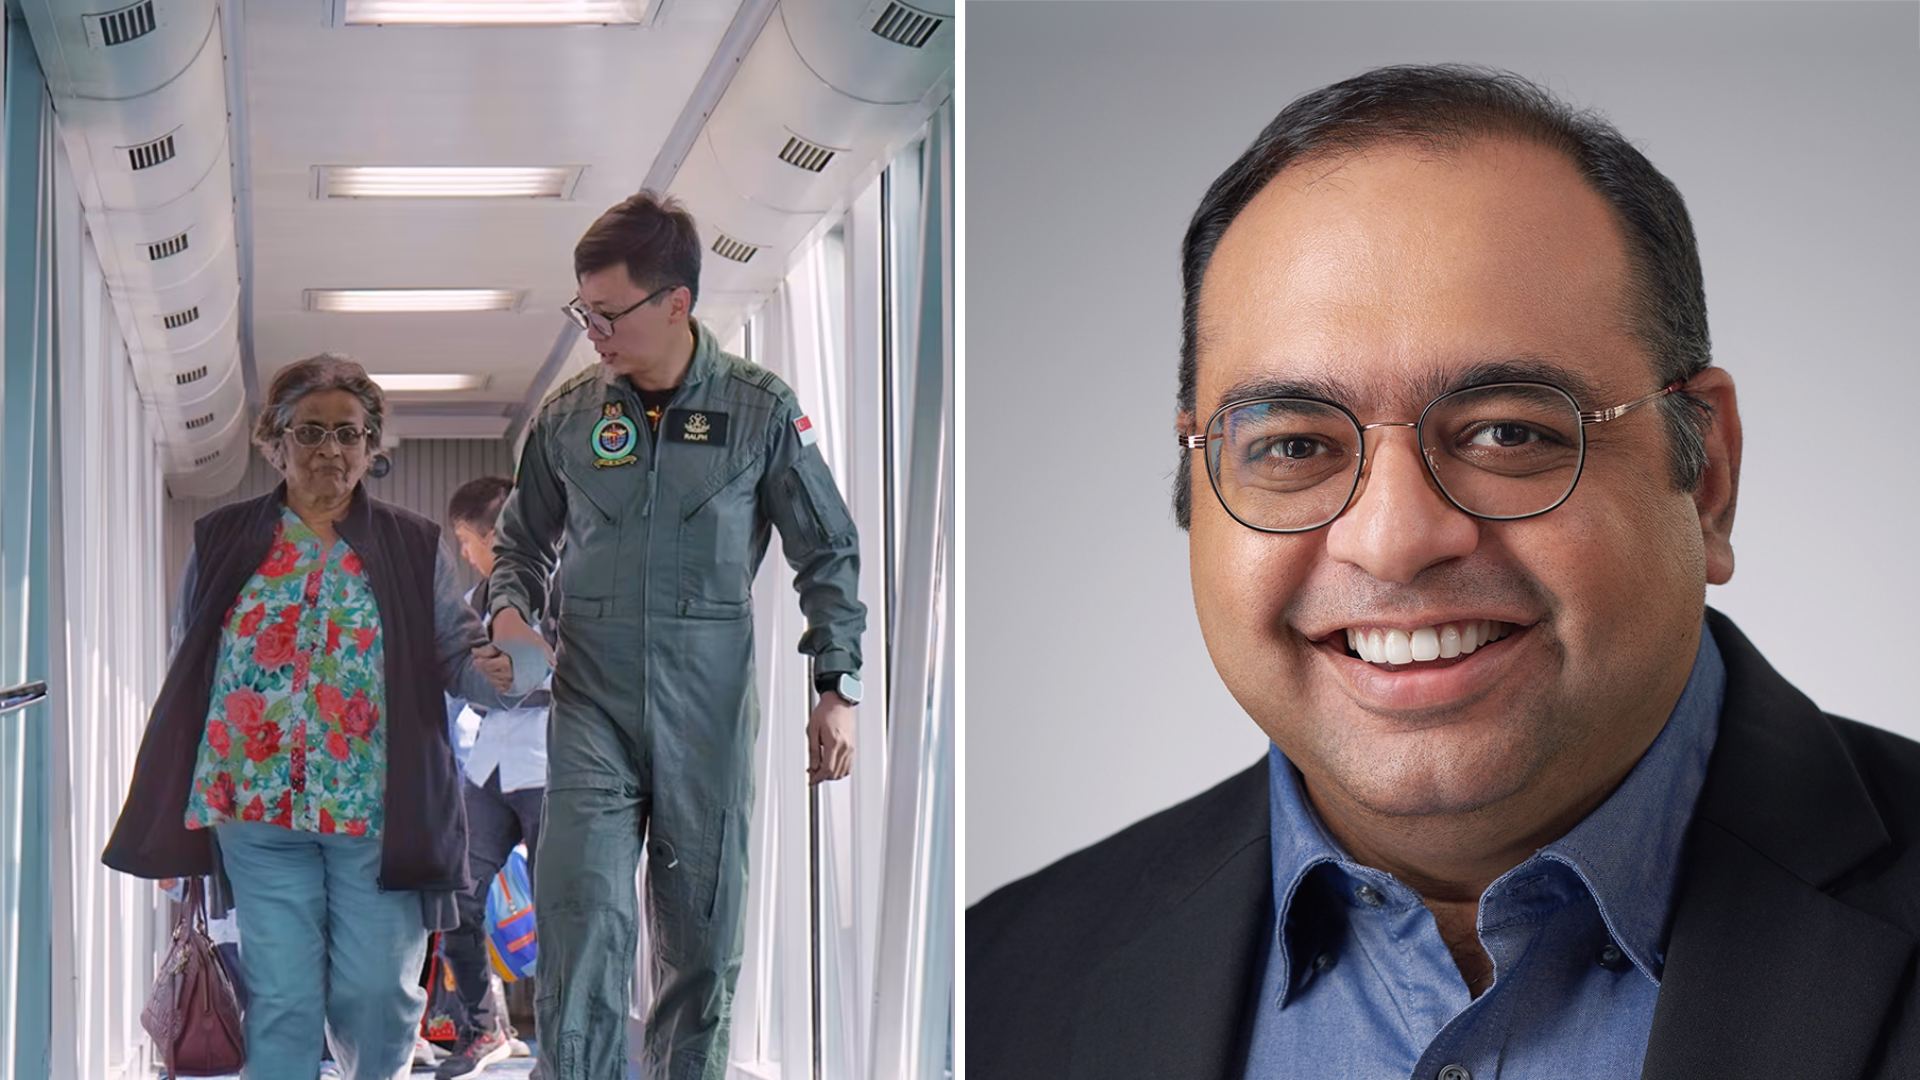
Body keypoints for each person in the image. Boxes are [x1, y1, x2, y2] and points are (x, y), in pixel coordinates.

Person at [967, 65, 1920, 1079]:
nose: (1394, 539)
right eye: (1294, 446)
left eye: (1508, 431)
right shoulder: (1003, 987)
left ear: (1708, 475)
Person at [488, 191, 866, 1080]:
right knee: (581, 921)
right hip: (591, 705)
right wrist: (510, 611)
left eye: (608, 313)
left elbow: (829, 550)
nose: (594, 332)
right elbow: (518, 544)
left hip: (708, 708)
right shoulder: (571, 418)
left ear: (676, 304)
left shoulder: (760, 413)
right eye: (582, 312)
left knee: (701, 937)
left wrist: (835, 687)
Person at [105, 354, 519, 1079]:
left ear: (372, 445)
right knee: (282, 997)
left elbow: (455, 659)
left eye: (350, 434)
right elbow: (191, 663)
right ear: (275, 440)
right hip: (256, 808)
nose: (332, 449)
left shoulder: (411, 543)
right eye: (312, 431)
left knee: (375, 995)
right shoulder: (224, 537)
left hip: (378, 811)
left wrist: (502, 677)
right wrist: (176, 807)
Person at [438, 474, 551, 1080]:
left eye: (464, 539)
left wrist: (514, 682)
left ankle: (563, 1045)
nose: (462, 552)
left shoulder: (563, 586)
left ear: (493, 535)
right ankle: (483, 1028)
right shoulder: (474, 601)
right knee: (456, 895)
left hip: (554, 763)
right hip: (487, 767)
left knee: (561, 909)